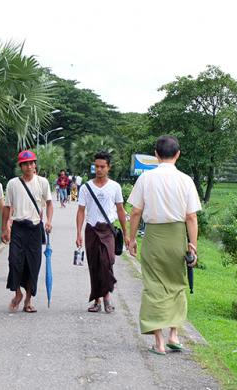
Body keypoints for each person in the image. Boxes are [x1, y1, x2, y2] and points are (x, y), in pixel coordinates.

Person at [126, 135, 201, 355]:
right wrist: (193, 246)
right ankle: (174, 335)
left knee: (154, 285)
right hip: (178, 236)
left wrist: (131, 240)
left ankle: (158, 342)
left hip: (154, 236)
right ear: (177, 154)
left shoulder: (146, 179)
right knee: (177, 283)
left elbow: (136, 211)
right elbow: (191, 217)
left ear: (156, 155)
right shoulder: (186, 180)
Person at [75, 151, 129, 313]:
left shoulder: (115, 187)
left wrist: (126, 234)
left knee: (108, 261)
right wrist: (78, 233)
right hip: (91, 229)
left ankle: (107, 296)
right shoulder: (86, 187)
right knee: (94, 265)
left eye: (102, 167)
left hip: (108, 230)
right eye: (96, 166)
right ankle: (98, 300)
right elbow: (81, 211)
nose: (99, 170)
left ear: (108, 168)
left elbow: (120, 210)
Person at [1, 150, 53, 313]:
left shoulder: (43, 182)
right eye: (25, 164)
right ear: (21, 166)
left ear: (35, 164)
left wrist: (49, 221)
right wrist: (5, 228)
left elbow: (49, 203)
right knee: (14, 262)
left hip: (35, 228)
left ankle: (28, 300)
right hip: (18, 227)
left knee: (33, 264)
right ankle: (18, 293)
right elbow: (7, 207)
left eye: (31, 163)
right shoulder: (12, 184)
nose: (29, 166)